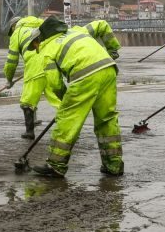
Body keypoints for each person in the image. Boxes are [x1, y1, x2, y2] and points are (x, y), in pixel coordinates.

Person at [22, 16, 124, 178]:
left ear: (40, 40)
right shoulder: (76, 31)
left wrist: (65, 103)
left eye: (34, 45)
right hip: (108, 68)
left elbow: (54, 83)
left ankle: (56, 164)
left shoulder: (48, 50)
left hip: (86, 75)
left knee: (67, 120)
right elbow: (102, 26)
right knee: (106, 118)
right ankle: (114, 164)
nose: (35, 49)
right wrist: (113, 49)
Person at [4, 15, 60, 139]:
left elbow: (12, 61)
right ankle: (70, 129)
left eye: (11, 29)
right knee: (59, 101)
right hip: (52, 64)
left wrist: (9, 79)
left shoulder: (17, 33)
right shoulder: (41, 23)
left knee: (27, 102)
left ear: (14, 26)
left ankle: (29, 132)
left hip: (35, 69)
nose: (12, 31)